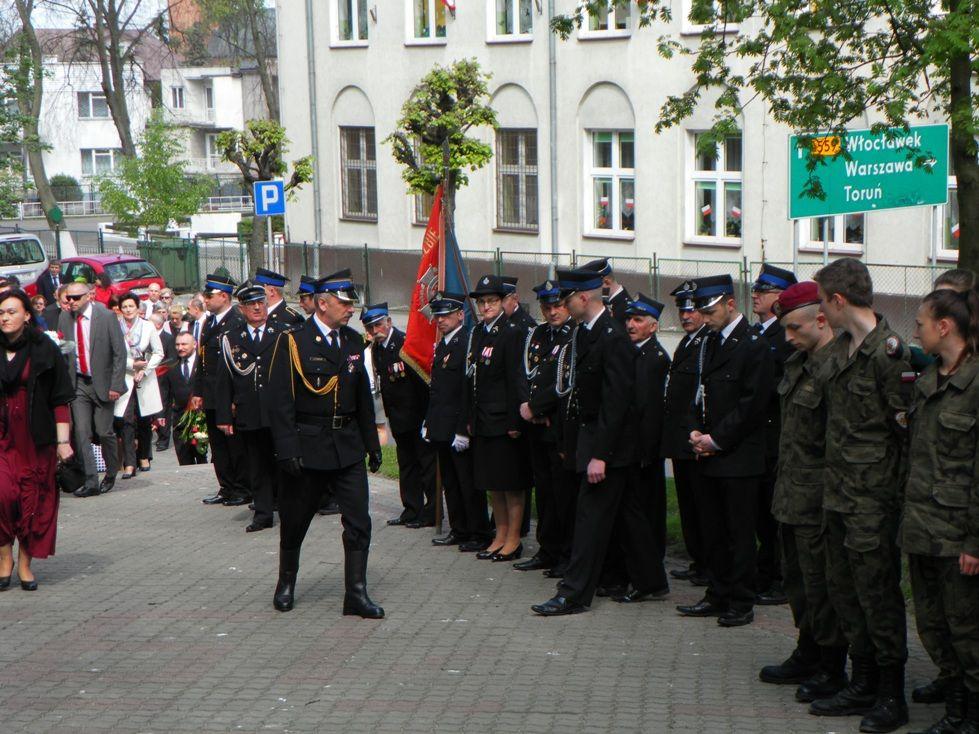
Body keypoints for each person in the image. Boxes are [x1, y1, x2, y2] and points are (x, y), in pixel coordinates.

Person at [809, 258, 911, 732]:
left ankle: (891, 693)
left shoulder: (889, 354)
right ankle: (863, 679)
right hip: (838, 495)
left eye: (822, 302)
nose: (820, 313)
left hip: (874, 500)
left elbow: (904, 434)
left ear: (838, 300)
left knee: (878, 596)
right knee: (845, 591)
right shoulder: (839, 353)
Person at [265, 269, 384, 618]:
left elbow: (362, 395)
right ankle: (286, 582)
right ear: (322, 303)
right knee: (296, 519)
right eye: (344, 304)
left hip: (346, 445)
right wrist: (286, 448)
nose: (350, 310)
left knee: (359, 520)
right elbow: (280, 401)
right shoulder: (293, 341)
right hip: (308, 446)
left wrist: (371, 441)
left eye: (350, 303)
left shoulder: (351, 341)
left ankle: (356, 594)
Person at [756, 282, 849, 704]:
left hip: (820, 500)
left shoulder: (839, 367)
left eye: (794, 327)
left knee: (822, 585)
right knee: (797, 581)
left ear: (822, 320)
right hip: (790, 494)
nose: (788, 336)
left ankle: (831, 664)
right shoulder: (798, 364)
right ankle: (807, 650)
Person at [531, 266, 635, 616]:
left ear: (583, 297)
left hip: (607, 448)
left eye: (566, 299)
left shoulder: (612, 336)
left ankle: (573, 593)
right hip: (588, 441)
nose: (562, 305)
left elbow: (616, 403)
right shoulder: (585, 333)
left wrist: (600, 455)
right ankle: (625, 578)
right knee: (613, 517)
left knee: (590, 521)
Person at [901, 287, 979, 734]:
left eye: (922, 324)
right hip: (921, 528)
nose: (918, 331)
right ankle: (955, 705)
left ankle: (968, 714)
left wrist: (974, 541)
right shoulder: (930, 381)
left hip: (957, 534)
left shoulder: (974, 384)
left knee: (967, 630)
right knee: (932, 624)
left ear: (944, 327)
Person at [678, 274, 775, 628]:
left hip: (737, 456)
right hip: (708, 452)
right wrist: (694, 430)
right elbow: (697, 391)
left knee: (738, 532)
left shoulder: (752, 345)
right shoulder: (708, 343)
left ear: (730, 304)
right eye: (702, 310)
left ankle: (741, 599)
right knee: (713, 531)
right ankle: (717, 593)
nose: (705, 316)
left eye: (711, 309)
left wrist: (716, 439)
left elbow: (752, 405)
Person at [0, 290, 74, 591]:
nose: (4, 317)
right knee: (3, 497)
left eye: (11, 312)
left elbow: (59, 398)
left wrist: (63, 441)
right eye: (1, 312)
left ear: (27, 315)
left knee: (33, 501)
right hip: (3, 435)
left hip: (36, 436)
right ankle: (5, 558)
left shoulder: (44, 348)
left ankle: (26, 564)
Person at [607, 293, 671, 603]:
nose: (630, 325)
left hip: (641, 452)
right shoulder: (633, 353)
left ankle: (648, 579)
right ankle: (632, 575)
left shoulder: (653, 359)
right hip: (629, 450)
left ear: (654, 326)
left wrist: (644, 453)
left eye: (638, 320)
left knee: (642, 517)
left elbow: (647, 411)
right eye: (629, 319)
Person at [463, 274, 527, 562]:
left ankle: (513, 538)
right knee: (493, 483)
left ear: (502, 302)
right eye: (482, 302)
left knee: (510, 483)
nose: (486, 306)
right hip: (483, 419)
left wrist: (515, 421)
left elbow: (516, 380)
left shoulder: (511, 332)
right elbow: (472, 378)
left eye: (491, 301)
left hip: (504, 421)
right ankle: (499, 534)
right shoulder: (478, 332)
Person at [514, 280, 575, 573]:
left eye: (558, 306)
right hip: (535, 425)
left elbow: (564, 381)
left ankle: (567, 553)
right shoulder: (536, 334)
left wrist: (538, 408)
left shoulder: (574, 335)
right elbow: (523, 374)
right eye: (547, 307)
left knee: (562, 494)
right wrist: (528, 407)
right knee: (544, 492)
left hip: (556, 425)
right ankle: (546, 549)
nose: (552, 312)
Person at [215, 282, 284, 533]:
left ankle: (287, 510)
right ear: (242, 309)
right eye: (251, 304)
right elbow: (224, 381)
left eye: (261, 303)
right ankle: (263, 514)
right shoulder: (232, 338)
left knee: (284, 462)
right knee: (257, 466)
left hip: (279, 413)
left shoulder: (282, 333)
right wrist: (224, 416)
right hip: (249, 413)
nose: (257, 308)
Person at [426, 293, 491, 550]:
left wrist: (464, 428)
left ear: (460, 315)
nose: (440, 320)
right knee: (451, 483)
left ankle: (479, 532)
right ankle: (460, 528)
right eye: (438, 316)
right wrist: (429, 422)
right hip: (442, 425)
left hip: (458, 427)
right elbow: (438, 389)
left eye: (446, 315)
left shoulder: (466, 343)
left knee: (468, 483)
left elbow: (467, 390)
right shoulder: (443, 344)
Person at [362, 303, 436, 528]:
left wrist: (427, 418)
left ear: (389, 321)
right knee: (407, 465)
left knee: (427, 467)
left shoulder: (405, 345)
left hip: (417, 416)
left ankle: (432, 512)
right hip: (398, 418)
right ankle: (411, 509)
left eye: (378, 325)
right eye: (370, 327)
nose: (375, 331)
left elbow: (422, 383)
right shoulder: (376, 348)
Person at [750, 263, 798, 607]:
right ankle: (765, 571)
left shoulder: (784, 335)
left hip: (774, 432)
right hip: (759, 436)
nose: (755, 295)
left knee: (772, 513)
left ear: (780, 297)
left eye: (763, 291)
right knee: (760, 513)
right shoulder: (760, 332)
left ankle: (778, 576)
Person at [59, 281, 127, 497]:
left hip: (104, 383)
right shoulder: (65, 318)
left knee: (104, 432)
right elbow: (63, 352)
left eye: (76, 298)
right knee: (81, 432)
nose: (71, 302)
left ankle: (111, 472)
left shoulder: (105, 316)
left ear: (89, 296)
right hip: (78, 383)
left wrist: (116, 385)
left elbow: (119, 353)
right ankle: (91, 481)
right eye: (68, 298)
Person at [661, 283, 709, 585]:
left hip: (694, 436)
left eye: (691, 309)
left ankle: (706, 564)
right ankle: (697, 561)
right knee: (689, 506)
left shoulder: (705, 343)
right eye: (682, 309)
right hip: (680, 437)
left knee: (702, 506)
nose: (686, 315)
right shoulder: (688, 342)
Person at [191, 274, 251, 507]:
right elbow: (202, 359)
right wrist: (197, 391)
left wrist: (236, 397)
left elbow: (237, 364)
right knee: (218, 445)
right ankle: (226, 486)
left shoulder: (236, 320)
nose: (205, 300)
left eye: (209, 295)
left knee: (234, 445)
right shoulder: (210, 321)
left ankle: (242, 488)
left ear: (224, 296)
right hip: (211, 393)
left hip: (227, 394)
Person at [114, 291, 163, 478]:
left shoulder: (148, 326)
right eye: (124, 307)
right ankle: (129, 463)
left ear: (137, 308)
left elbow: (159, 352)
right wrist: (131, 365)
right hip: (124, 376)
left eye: (131, 306)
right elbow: (113, 353)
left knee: (144, 418)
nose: (128, 310)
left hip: (144, 376)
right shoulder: (116, 327)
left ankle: (144, 455)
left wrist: (145, 369)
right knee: (125, 420)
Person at [159, 331, 207, 466]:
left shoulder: (203, 363)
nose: (180, 348)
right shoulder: (170, 365)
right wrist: (161, 415)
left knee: (202, 456)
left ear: (194, 344)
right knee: (184, 458)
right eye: (178, 344)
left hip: (200, 417)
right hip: (179, 419)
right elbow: (165, 393)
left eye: (184, 344)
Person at [150, 312, 177, 452]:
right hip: (149, 378)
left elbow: (172, 359)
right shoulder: (148, 337)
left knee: (163, 408)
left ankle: (164, 438)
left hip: (163, 379)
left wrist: (158, 367)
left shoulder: (168, 338)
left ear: (159, 324)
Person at [581, 257, 631, 324]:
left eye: (593, 286)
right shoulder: (607, 301)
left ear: (607, 282)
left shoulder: (625, 308)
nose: (590, 291)